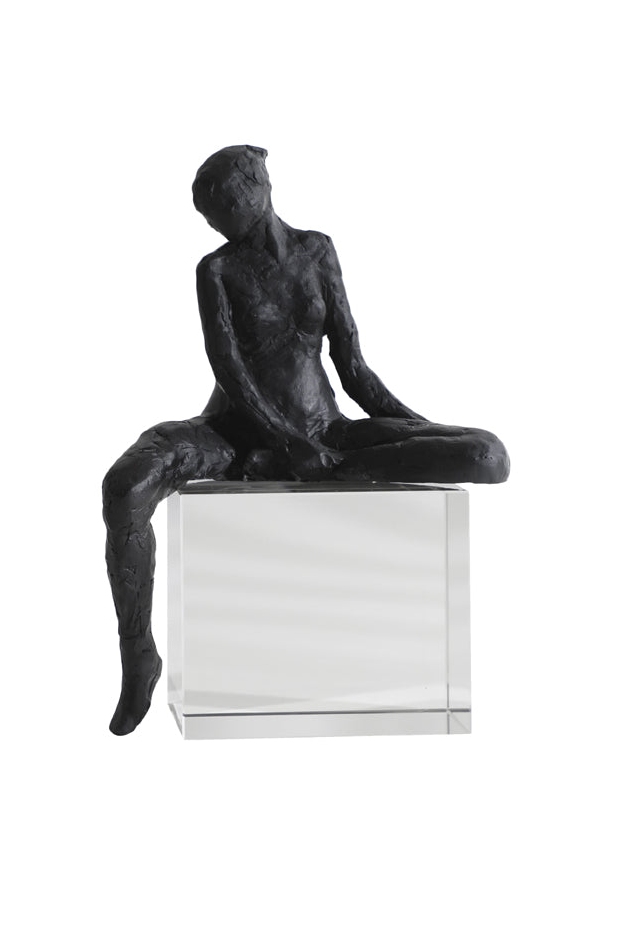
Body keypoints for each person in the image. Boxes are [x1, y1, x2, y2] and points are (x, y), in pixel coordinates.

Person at [102, 145, 509, 735]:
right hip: (236, 432)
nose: (216, 220)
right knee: (126, 485)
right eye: (208, 213)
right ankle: (139, 654)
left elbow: (354, 368)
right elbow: (231, 373)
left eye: (223, 204)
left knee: (487, 454)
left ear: (259, 187)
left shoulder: (317, 250)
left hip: (326, 432)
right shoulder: (215, 271)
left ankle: (339, 470)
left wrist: (419, 429)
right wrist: (288, 443)